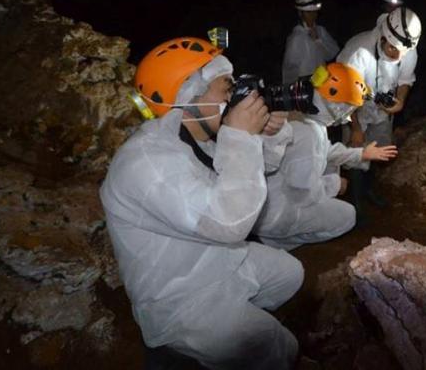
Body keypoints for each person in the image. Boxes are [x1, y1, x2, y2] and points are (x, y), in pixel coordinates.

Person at [100, 37, 301, 370]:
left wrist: (262, 135)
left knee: (290, 274)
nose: (233, 98)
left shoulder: (194, 135)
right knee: (278, 347)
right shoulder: (147, 164)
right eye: (226, 89)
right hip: (181, 297)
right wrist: (240, 136)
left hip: (217, 260)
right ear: (186, 97)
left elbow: (253, 173)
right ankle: (183, 351)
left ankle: (233, 326)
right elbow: (229, 222)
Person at [254, 62, 397, 248]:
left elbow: (326, 151)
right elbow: (301, 193)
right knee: (347, 216)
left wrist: (362, 154)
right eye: (350, 109)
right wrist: (336, 185)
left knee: (330, 167)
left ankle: (274, 236)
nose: (348, 115)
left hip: (268, 200)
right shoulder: (309, 134)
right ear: (338, 107)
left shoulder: (303, 116)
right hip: (277, 213)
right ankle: (276, 242)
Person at [337, 7, 421, 213]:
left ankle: (367, 190)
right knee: (356, 152)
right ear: (383, 36)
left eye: (402, 52)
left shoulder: (406, 47)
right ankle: (356, 203)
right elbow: (342, 94)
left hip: (381, 111)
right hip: (353, 108)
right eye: (392, 49)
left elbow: (405, 79)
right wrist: (355, 128)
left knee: (378, 150)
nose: (397, 55)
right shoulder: (359, 51)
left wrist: (400, 100)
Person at [282, 0, 340, 84]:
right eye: (308, 12)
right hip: (305, 85)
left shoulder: (321, 31)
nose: (313, 15)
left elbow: (333, 54)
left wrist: (318, 40)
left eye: (315, 12)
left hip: (322, 83)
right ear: (300, 13)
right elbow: (290, 69)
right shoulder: (296, 37)